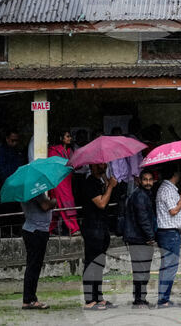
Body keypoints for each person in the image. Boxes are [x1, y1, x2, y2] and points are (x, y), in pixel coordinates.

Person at [81, 162, 117, 310]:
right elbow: (101, 203)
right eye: (99, 164)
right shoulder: (90, 183)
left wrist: (108, 185)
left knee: (99, 263)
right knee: (91, 263)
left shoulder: (101, 181)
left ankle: (98, 296)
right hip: (92, 227)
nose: (103, 165)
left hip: (102, 226)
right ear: (92, 166)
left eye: (104, 163)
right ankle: (90, 300)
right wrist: (110, 187)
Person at [155, 163, 181, 308]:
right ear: (175, 174)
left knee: (168, 266)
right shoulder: (167, 190)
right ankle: (163, 299)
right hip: (169, 233)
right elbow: (173, 211)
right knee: (169, 266)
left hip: (170, 233)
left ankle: (164, 298)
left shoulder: (168, 189)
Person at [123, 168, 157, 308]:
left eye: (150, 180)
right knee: (141, 271)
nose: (148, 182)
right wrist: (150, 237)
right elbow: (143, 219)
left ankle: (140, 298)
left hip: (138, 238)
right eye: (145, 180)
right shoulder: (140, 196)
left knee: (142, 270)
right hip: (139, 239)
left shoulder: (144, 194)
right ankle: (139, 300)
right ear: (139, 181)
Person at [20, 191, 55, 310]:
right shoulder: (35, 190)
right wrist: (53, 201)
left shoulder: (26, 191)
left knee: (32, 265)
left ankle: (29, 298)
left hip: (32, 228)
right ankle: (30, 299)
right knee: (34, 266)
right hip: (37, 230)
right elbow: (45, 206)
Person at [48, 130, 80, 236]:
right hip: (58, 181)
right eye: (67, 136)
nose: (69, 138)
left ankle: (50, 228)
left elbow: (75, 164)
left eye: (70, 136)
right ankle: (74, 228)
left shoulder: (70, 150)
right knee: (65, 202)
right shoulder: (53, 150)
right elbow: (53, 166)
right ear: (61, 138)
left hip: (67, 181)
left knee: (58, 205)